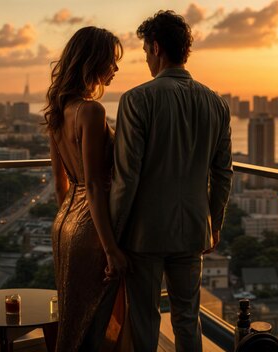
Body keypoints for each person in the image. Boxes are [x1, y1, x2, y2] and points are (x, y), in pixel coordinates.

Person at [110, 10, 233, 352]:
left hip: (143, 234)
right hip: (194, 229)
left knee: (144, 319)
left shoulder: (136, 99)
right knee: (187, 317)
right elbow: (223, 173)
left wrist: (114, 237)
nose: (146, 59)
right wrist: (215, 223)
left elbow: (126, 177)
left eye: (145, 52)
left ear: (156, 47)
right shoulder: (216, 104)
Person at [45, 26, 128, 352]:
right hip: (93, 230)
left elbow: (60, 183)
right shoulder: (91, 111)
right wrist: (110, 249)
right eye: (112, 61)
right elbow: (94, 183)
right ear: (94, 61)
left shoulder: (57, 112)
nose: (116, 69)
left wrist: (71, 226)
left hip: (65, 224)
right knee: (95, 327)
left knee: (73, 318)